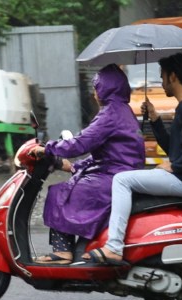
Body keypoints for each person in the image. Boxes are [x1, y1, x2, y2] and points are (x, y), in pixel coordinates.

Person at [83, 53, 182, 264]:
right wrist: (156, 120)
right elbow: (174, 147)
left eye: (162, 77)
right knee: (132, 180)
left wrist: (176, 165)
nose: (161, 83)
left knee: (122, 180)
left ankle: (114, 246)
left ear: (173, 77)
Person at [32, 64, 145, 264]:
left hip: (112, 176)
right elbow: (109, 152)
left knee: (59, 193)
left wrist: (48, 148)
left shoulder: (110, 114)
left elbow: (82, 142)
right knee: (72, 186)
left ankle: (62, 252)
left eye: (96, 88)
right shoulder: (123, 110)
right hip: (117, 171)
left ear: (105, 89)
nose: (94, 94)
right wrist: (76, 166)